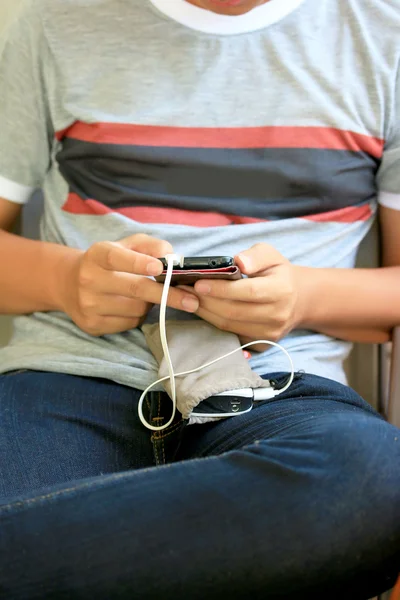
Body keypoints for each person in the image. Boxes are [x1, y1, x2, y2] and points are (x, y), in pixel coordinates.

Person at [0, 0, 399, 597]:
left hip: (277, 389)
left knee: (375, 479)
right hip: (65, 380)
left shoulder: (384, 34)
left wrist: (304, 297)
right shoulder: (53, 23)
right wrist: (66, 280)